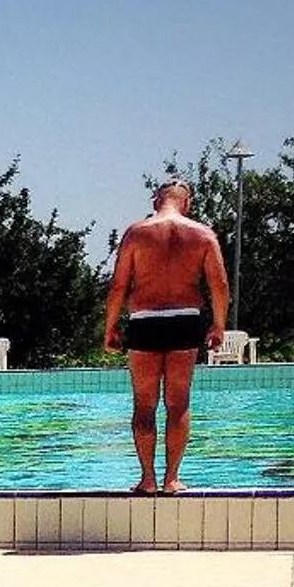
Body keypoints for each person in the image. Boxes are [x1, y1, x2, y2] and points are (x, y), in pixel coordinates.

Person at [101, 179, 230, 493]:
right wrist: (219, 324)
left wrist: (110, 327)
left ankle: (147, 479)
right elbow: (219, 285)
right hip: (185, 320)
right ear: (186, 203)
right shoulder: (202, 234)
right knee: (178, 403)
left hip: (145, 320)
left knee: (144, 405)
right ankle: (171, 479)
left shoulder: (137, 233)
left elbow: (119, 285)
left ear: (155, 200)